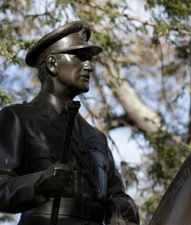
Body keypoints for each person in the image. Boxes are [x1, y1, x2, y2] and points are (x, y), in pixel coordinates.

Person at [0, 21, 140, 225]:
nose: (89, 66)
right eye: (80, 58)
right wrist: (40, 183)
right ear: (52, 64)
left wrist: (123, 206)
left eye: (90, 59)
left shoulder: (97, 137)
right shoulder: (19, 118)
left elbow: (115, 193)